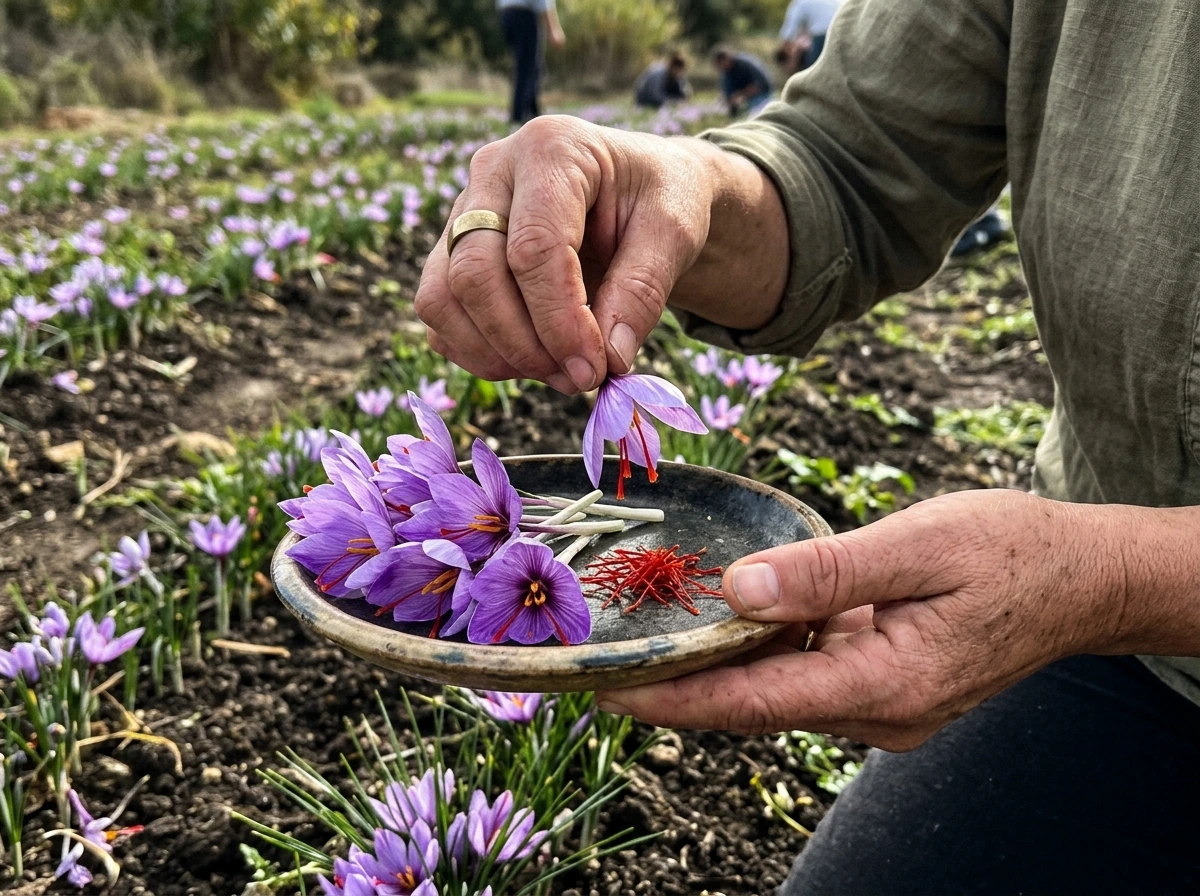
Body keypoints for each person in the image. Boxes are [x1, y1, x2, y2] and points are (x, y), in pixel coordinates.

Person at [414, 0, 1200, 892]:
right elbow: (846, 165)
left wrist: (1114, 576)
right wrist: (686, 188)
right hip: (1136, 666)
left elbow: (1106, 578)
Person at [498, 0, 565, 124]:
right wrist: (553, 29)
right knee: (529, 67)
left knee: (527, 65)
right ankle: (519, 116)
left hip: (506, 13)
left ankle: (533, 113)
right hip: (524, 15)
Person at [777, 0, 843, 74]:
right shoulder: (834, 1)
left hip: (821, 39)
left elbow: (789, 32)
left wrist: (785, 55)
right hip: (841, 38)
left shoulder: (800, 3)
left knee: (816, 74)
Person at [711, 45, 773, 117]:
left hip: (762, 95)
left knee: (757, 114)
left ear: (726, 59)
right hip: (745, 101)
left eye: (721, 64)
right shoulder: (725, 73)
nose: (720, 68)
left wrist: (741, 95)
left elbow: (760, 85)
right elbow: (727, 95)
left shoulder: (745, 64)